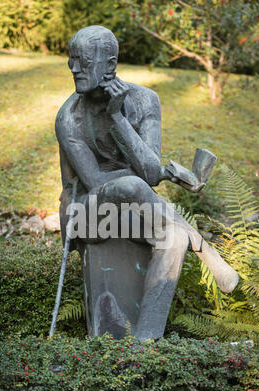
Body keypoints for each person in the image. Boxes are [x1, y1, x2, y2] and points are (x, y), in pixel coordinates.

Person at [55, 25, 239, 341]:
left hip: (128, 212)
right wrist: (158, 174)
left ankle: (144, 344)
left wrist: (117, 118)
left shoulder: (144, 101)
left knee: (174, 238)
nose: (73, 68)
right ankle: (208, 253)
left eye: (82, 60)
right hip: (84, 213)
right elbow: (97, 182)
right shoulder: (69, 118)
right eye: (71, 60)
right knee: (131, 186)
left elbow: (150, 173)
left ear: (110, 64)